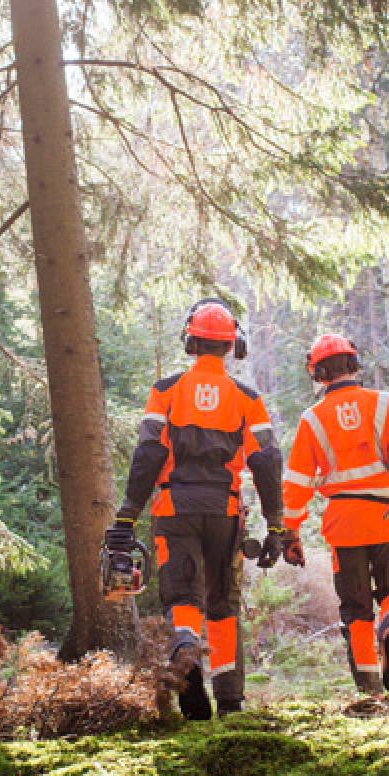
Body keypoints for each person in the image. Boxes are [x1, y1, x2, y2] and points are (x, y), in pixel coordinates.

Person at [104, 298, 294, 720]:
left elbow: (149, 452)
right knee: (223, 602)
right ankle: (230, 699)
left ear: (190, 341)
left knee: (182, 591)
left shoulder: (166, 391)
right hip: (224, 510)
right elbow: (266, 461)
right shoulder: (247, 398)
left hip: (174, 506)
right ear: (232, 347)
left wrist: (127, 515)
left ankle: (186, 644)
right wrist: (276, 524)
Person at [282, 334, 389, 696]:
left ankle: (370, 688)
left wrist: (291, 532)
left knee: (355, 606)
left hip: (343, 525)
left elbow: (295, 483)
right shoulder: (385, 404)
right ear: (354, 365)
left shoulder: (312, 420)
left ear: (318, 373)